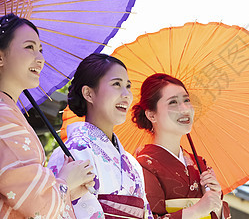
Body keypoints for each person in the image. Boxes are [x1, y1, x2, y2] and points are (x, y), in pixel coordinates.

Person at [0, 13, 95, 218]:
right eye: (29, 47)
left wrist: (68, 185)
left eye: (40, 49)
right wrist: (65, 180)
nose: (40, 58)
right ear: (0, 56)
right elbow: (34, 202)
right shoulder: (3, 115)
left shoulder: (10, 111)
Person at [48, 53, 152, 219]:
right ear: (89, 94)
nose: (126, 94)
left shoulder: (132, 164)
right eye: (116, 84)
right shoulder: (73, 153)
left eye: (128, 86)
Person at [132, 73, 231, 219]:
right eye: (173, 102)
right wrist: (196, 211)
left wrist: (216, 203)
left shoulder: (199, 164)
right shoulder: (143, 165)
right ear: (151, 115)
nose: (185, 109)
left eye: (187, 100)